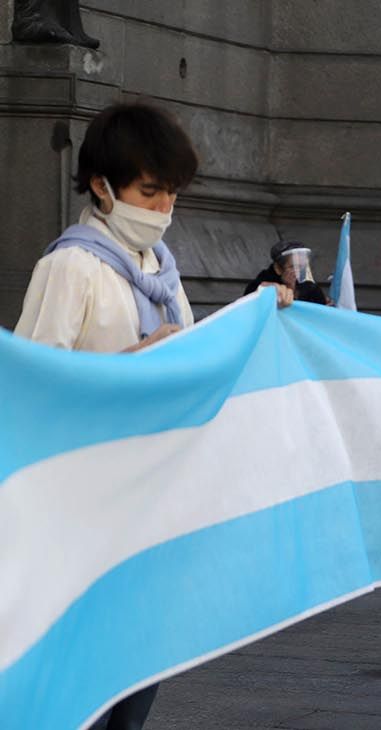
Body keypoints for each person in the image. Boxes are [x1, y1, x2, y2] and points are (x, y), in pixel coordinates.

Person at [14, 103, 291, 730]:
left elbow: (189, 358)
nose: (163, 207)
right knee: (85, 686)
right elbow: (32, 393)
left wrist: (251, 318)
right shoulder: (70, 268)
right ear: (102, 187)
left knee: (139, 679)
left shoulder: (159, 270)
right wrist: (131, 363)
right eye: (150, 190)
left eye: (172, 193)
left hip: (152, 505)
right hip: (86, 514)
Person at [243, 240, 331, 305]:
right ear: (278, 268)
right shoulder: (260, 285)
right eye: (293, 267)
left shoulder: (309, 287)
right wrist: (288, 288)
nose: (299, 271)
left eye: (302, 266)